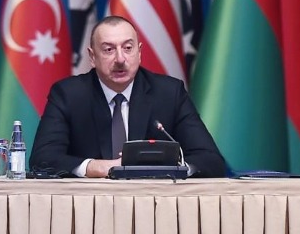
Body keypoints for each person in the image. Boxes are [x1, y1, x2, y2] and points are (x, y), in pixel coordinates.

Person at [29, 15, 226, 178]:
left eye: (128, 48)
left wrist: (170, 169)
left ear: (139, 53)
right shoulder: (69, 95)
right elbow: (42, 159)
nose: (120, 59)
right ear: (92, 57)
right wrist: (94, 167)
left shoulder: (169, 93)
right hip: (90, 205)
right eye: (109, 50)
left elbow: (211, 160)